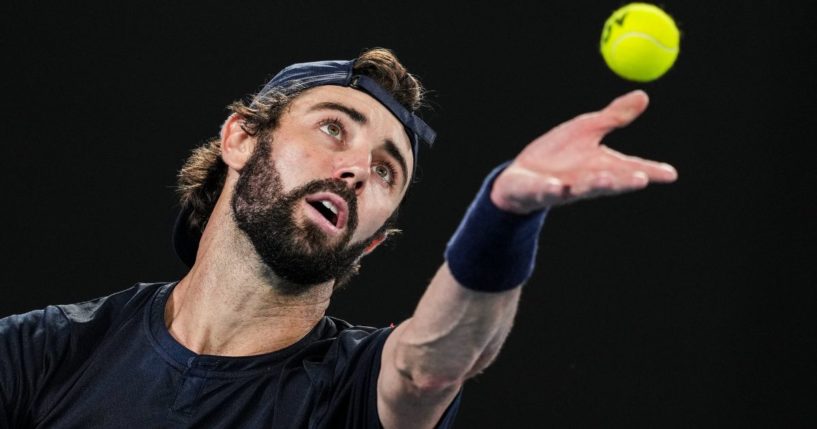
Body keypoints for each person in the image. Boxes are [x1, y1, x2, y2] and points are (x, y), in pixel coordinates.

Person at [0, 48, 677, 428]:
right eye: (333, 127)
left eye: (387, 171)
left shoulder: (353, 387)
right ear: (239, 138)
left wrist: (503, 215)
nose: (356, 169)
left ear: (373, 243)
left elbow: (430, 364)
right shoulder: (49, 351)